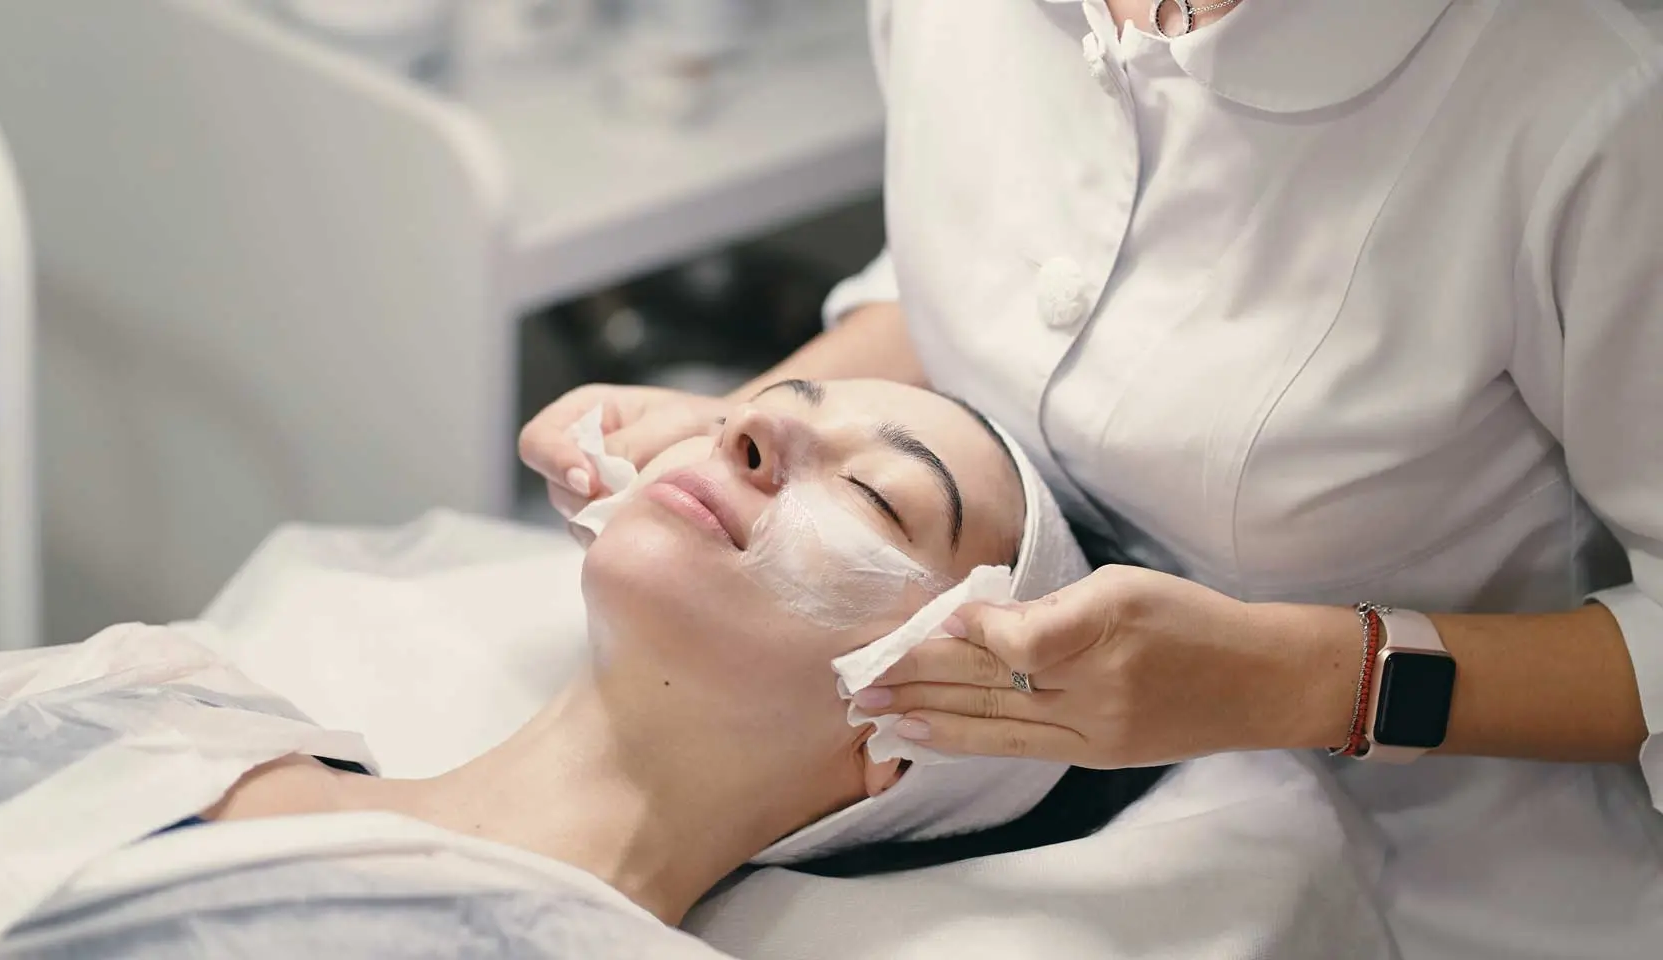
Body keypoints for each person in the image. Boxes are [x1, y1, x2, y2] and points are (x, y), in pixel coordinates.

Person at [520, 2, 1663, 957]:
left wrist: (1315, 681)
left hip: (1455, 902)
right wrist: (733, 432)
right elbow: (975, 287)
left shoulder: (1591, 106)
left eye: (879, 505)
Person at [0, 379, 1073, 958]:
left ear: (906, 733)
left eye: (888, 503)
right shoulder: (160, 691)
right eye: (772, 408)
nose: (758, 434)